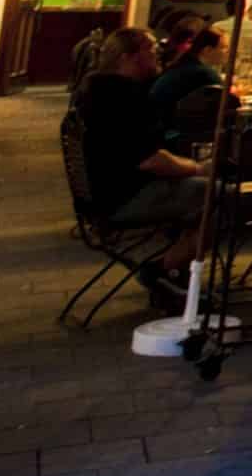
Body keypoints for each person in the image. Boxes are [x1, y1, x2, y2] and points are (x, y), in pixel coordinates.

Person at [74, 28, 209, 312]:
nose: (158, 54)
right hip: (127, 194)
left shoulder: (95, 88)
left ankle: (176, 275)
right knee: (225, 197)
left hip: (104, 192)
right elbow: (151, 160)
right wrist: (199, 168)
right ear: (129, 58)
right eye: (150, 50)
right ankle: (162, 269)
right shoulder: (123, 98)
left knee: (202, 198)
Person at [147, 25, 225, 151]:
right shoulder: (205, 74)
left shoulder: (183, 65)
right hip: (172, 137)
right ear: (208, 50)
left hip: (158, 130)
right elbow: (223, 109)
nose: (227, 52)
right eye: (224, 48)